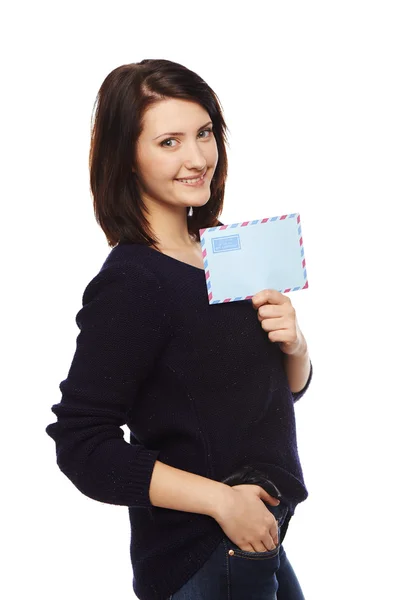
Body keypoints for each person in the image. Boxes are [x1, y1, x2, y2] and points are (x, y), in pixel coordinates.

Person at [46, 58, 313, 600]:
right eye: (169, 142)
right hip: (205, 556)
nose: (197, 158)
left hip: (260, 544)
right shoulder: (133, 281)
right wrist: (220, 501)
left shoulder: (217, 252)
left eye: (205, 133)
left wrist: (295, 346)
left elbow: (265, 396)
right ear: (127, 158)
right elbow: (81, 444)